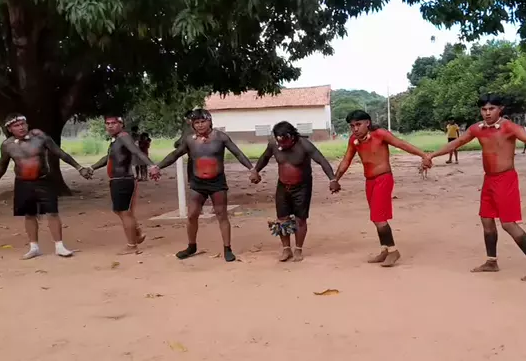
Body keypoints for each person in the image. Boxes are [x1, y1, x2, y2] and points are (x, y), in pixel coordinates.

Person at [425, 95, 526, 281]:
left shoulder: (509, 127)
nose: (487, 113)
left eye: (491, 109)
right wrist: (431, 155)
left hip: (505, 179)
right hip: (489, 179)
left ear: (500, 109)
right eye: (484, 109)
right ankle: (491, 261)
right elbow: (456, 143)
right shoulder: (477, 128)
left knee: (508, 223)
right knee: (486, 220)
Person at [333, 110, 433, 267]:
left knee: (379, 218)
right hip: (369, 181)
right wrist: (335, 179)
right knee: (376, 218)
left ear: (368, 123)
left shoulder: (380, 134)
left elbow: (401, 144)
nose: (355, 129)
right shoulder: (354, 140)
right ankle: (385, 250)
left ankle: (393, 251)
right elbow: (346, 160)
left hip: (383, 179)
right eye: (352, 126)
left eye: (358, 124)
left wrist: (423, 155)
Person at [0, 113, 91, 259]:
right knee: (29, 214)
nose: (21, 127)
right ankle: (34, 247)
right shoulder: (7, 145)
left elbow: (60, 153)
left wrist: (79, 168)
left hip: (43, 180)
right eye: (16, 125)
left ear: (27, 124)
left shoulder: (39, 137)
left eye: (23, 124)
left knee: (52, 212)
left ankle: (59, 246)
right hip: (23, 182)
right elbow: (2, 164)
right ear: (10, 129)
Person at [154, 109, 253, 262]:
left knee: (221, 215)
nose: (200, 125)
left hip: (217, 183)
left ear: (210, 121)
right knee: (192, 215)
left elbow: (237, 153)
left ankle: (227, 248)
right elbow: (175, 154)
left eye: (203, 121)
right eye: (197, 122)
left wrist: (252, 169)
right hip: (197, 183)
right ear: (193, 125)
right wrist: (158, 167)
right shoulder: (190, 140)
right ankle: (191, 246)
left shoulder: (220, 137)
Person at [250, 121, 341, 261]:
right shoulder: (274, 144)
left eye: (284, 141)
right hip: (283, 186)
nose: (281, 145)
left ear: (292, 136)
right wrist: (256, 170)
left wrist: (332, 179)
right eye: (279, 142)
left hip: (302, 187)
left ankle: (298, 249)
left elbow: (321, 160)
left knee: (300, 219)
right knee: (282, 219)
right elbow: (265, 157)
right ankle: (286, 249)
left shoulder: (304, 145)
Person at [90, 116, 159, 254]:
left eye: (114, 123)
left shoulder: (124, 137)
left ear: (121, 124)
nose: (110, 126)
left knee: (124, 212)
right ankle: (137, 232)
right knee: (119, 211)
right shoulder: (116, 140)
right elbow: (108, 158)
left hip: (123, 179)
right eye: (107, 123)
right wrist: (92, 168)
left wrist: (151, 165)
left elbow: (136, 151)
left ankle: (132, 245)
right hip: (116, 180)